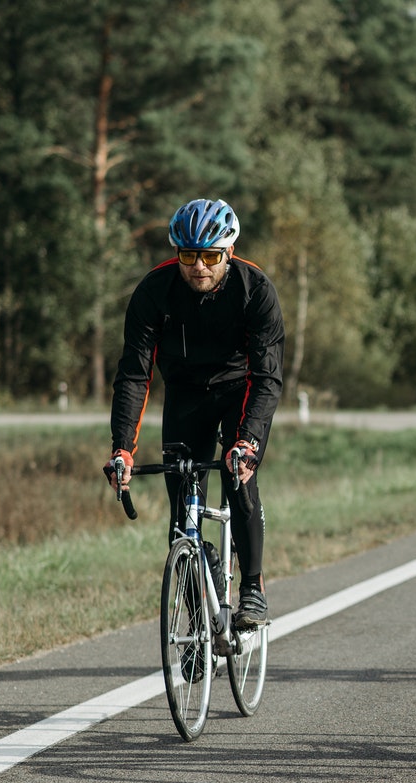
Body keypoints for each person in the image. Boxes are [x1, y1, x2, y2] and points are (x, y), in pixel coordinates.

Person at [105, 198, 285, 630]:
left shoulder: (254, 289)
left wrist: (249, 442)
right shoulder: (153, 291)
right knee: (180, 516)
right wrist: (122, 450)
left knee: (238, 478)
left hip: (239, 390)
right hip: (185, 396)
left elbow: (268, 377)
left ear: (228, 251)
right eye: (188, 255)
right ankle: (196, 625)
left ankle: (253, 590)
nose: (198, 267)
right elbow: (133, 375)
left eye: (209, 256)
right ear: (176, 253)